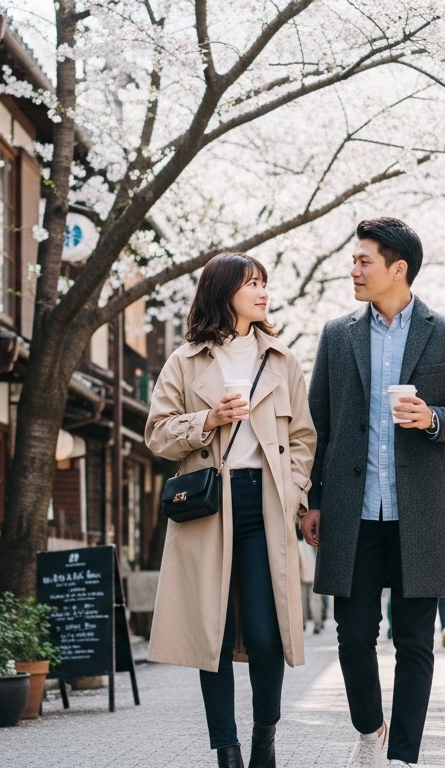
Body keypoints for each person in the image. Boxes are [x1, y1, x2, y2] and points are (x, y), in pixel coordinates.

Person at [302, 217, 445, 768]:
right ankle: (369, 729)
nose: (354, 270)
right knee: (353, 637)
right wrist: (313, 500)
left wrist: (433, 418)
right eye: (354, 261)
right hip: (351, 513)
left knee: (415, 642)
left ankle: (404, 757)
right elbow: (317, 426)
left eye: (364, 261)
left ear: (398, 268)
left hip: (420, 515)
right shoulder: (337, 335)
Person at [145, 252, 317, 768]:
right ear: (223, 293)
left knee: (266, 633)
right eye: (251, 283)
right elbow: (157, 434)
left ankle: (265, 736)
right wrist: (207, 419)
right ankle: (227, 750)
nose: (263, 292)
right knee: (212, 635)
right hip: (208, 506)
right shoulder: (185, 361)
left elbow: (304, 437)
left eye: (264, 282)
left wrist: (293, 491)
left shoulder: (282, 361)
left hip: (265, 504)